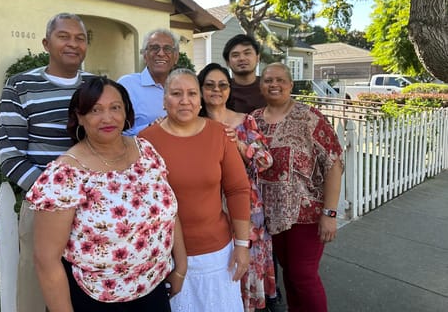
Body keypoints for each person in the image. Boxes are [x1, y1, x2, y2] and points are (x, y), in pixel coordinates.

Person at [24, 77, 187, 311]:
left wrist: (180, 266)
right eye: (95, 110)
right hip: (96, 299)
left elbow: (169, 211)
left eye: (115, 108)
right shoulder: (65, 175)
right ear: (80, 117)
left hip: (154, 289)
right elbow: (46, 261)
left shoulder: (146, 151)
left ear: (126, 112)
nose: (107, 118)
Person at [0, 12, 94, 312]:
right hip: (43, 205)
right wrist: (58, 196)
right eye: (63, 36)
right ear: (46, 43)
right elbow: (10, 155)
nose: (73, 44)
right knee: (37, 290)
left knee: (89, 288)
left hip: (95, 205)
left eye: (80, 38)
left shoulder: (97, 86)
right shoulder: (20, 86)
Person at [139, 68, 251, 312]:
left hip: (217, 254)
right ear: (164, 100)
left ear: (200, 100)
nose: (185, 100)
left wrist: (242, 244)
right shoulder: (146, 141)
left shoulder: (219, 134)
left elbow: (238, 190)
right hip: (165, 255)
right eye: (176, 93)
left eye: (191, 93)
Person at [251, 62, 344, 312]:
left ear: (291, 85)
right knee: (289, 276)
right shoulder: (254, 120)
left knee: (304, 276)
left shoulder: (309, 116)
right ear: (261, 86)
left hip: (307, 214)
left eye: (280, 80)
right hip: (269, 216)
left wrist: (330, 213)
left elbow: (334, 162)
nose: (274, 84)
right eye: (268, 80)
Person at [197, 63, 276, 312]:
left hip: (247, 207)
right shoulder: (192, 123)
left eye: (222, 85)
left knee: (246, 267)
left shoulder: (244, 121)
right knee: (219, 270)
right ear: (200, 90)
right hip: (207, 208)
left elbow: (266, 161)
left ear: (229, 90)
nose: (216, 90)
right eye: (209, 85)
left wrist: (240, 144)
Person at [118, 29, 180, 135]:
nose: (161, 53)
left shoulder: (182, 87)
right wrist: (151, 128)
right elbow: (116, 131)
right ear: (145, 55)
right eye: (154, 48)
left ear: (176, 57)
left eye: (167, 49)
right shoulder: (127, 85)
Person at [222, 34, 266, 114]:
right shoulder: (222, 90)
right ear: (227, 62)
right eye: (235, 55)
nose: (242, 58)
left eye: (247, 53)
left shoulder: (269, 87)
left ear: (257, 58)